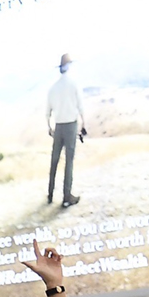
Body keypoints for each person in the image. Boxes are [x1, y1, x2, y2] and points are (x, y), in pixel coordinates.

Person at [46, 53, 84, 207]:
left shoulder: (53, 88)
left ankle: (50, 194)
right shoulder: (73, 84)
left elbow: (47, 111)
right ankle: (67, 196)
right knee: (69, 161)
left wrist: (49, 127)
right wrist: (83, 123)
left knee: (54, 160)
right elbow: (80, 106)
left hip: (58, 125)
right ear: (69, 67)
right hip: (70, 125)